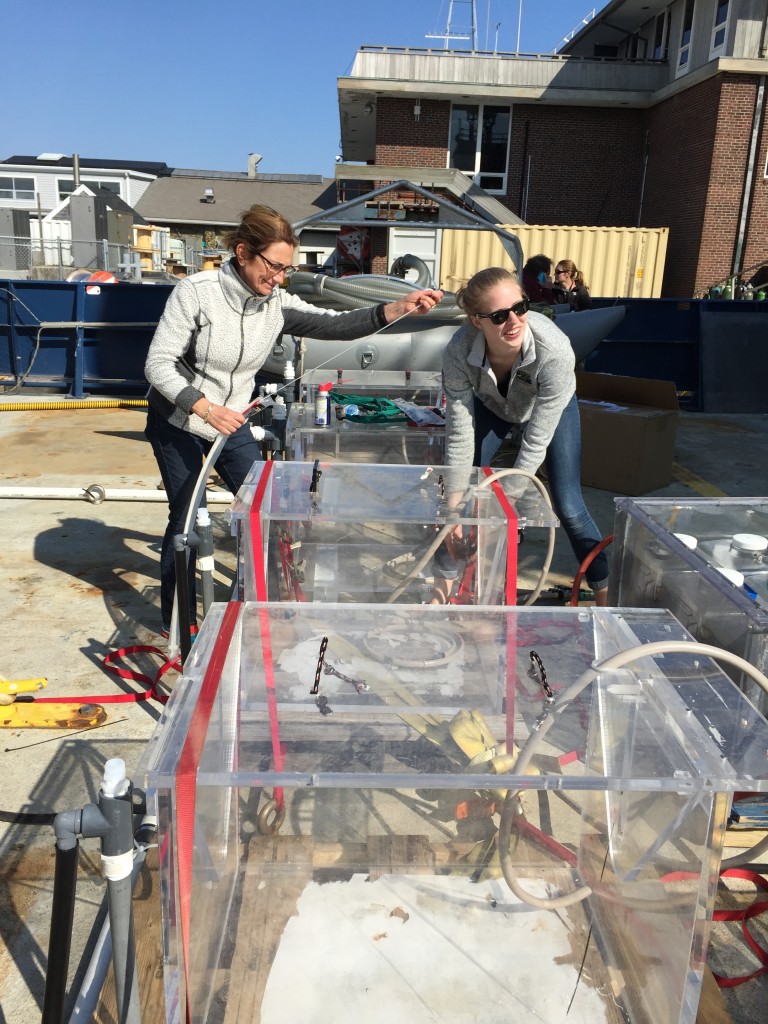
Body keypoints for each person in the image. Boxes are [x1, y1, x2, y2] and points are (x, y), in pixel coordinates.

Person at [144, 203, 443, 635]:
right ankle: (178, 623)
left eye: (286, 269)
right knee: (188, 521)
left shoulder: (276, 302)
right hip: (179, 420)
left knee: (270, 509)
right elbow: (158, 365)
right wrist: (204, 407)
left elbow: (336, 324)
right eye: (273, 266)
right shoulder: (196, 292)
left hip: (234, 421)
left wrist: (397, 308)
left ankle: (266, 604)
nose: (279, 278)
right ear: (243, 252)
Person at [436, 266, 608, 605]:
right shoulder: (457, 352)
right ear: (476, 320)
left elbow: (535, 442)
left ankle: (607, 596)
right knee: (459, 501)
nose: (514, 321)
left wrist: (507, 505)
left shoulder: (554, 351)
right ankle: (441, 590)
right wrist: (453, 508)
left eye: (521, 307)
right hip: (493, 404)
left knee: (569, 505)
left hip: (547, 409)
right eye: (500, 315)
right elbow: (459, 433)